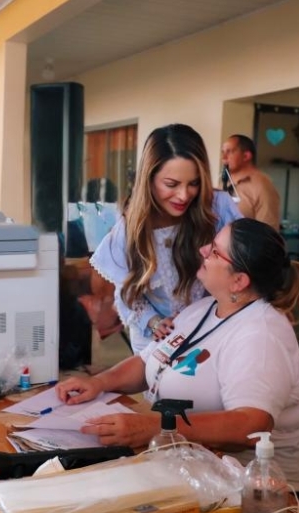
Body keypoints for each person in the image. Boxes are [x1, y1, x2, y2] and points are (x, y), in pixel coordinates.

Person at [58, 218, 299, 499]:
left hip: (260, 496)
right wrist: (99, 382)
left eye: (215, 251)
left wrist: (157, 428)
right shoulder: (204, 309)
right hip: (192, 468)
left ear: (239, 281)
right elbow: (148, 361)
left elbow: (251, 425)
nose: (203, 250)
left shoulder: (260, 336)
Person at [90, 124, 242, 354]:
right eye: (171, 184)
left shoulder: (218, 207)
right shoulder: (130, 227)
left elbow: (243, 264)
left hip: (211, 327)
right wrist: (152, 322)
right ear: (148, 179)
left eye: (194, 183)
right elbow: (127, 291)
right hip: (154, 336)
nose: (183, 195)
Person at [221, 135, 281, 231]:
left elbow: (268, 233)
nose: (223, 157)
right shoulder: (223, 181)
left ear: (246, 156)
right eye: (223, 152)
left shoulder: (263, 186)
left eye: (229, 151)